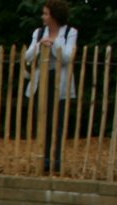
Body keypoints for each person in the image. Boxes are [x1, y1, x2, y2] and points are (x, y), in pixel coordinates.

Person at [25, 1, 77, 174]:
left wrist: (53, 45)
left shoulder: (70, 32)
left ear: (54, 16)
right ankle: (44, 158)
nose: (43, 17)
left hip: (59, 80)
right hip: (42, 79)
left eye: (46, 13)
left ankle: (57, 160)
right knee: (43, 121)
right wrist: (40, 45)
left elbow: (68, 57)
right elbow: (28, 56)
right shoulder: (39, 33)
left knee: (58, 122)